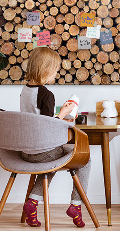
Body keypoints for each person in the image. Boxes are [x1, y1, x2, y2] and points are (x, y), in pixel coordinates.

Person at [20, 47, 90, 228]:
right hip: (43, 151)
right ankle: (76, 205)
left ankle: (32, 203)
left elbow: (37, 119)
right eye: (56, 69)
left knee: (50, 162)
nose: (56, 73)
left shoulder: (25, 90)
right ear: (47, 69)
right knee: (85, 159)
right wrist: (65, 113)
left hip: (26, 151)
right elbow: (48, 126)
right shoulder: (46, 94)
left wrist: (59, 115)